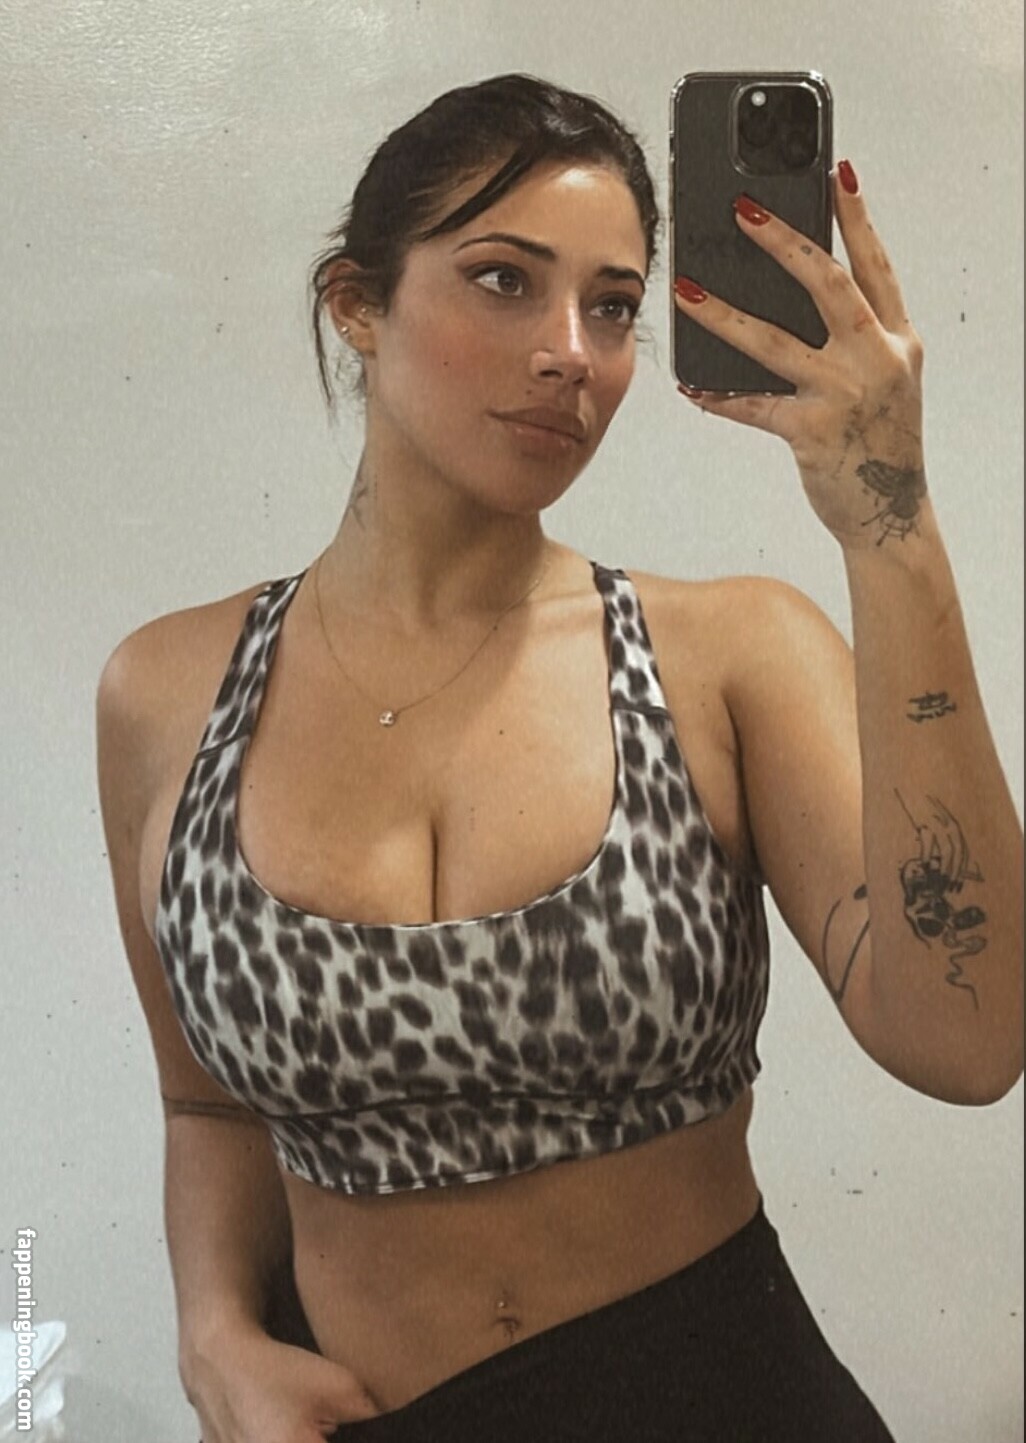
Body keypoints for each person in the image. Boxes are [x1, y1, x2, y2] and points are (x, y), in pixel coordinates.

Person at [95, 72, 1022, 1443]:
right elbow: (206, 1106)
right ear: (356, 304)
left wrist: (890, 523)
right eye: (501, 281)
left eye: (612, 307)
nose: (569, 353)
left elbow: (970, 1041)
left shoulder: (727, 657)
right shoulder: (167, 693)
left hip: (721, 1408)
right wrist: (214, 1335)